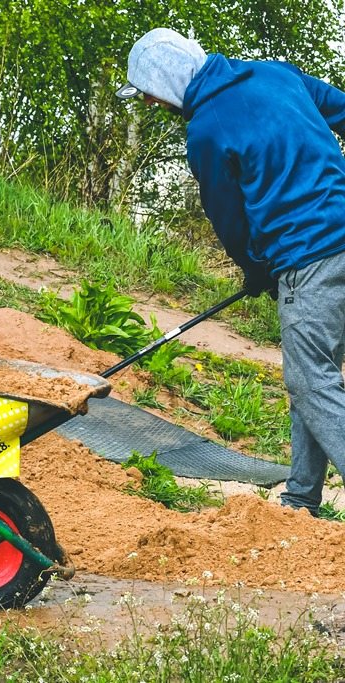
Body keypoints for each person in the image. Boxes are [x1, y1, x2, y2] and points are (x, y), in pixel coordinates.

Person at [116, 28, 345, 516]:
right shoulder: (274, 74)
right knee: (314, 373)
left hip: (311, 256)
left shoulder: (205, 130)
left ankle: (302, 497)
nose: (154, 104)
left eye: (152, 94)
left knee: (309, 381)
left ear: (166, 85)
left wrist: (254, 268)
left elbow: (230, 218)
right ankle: (302, 498)